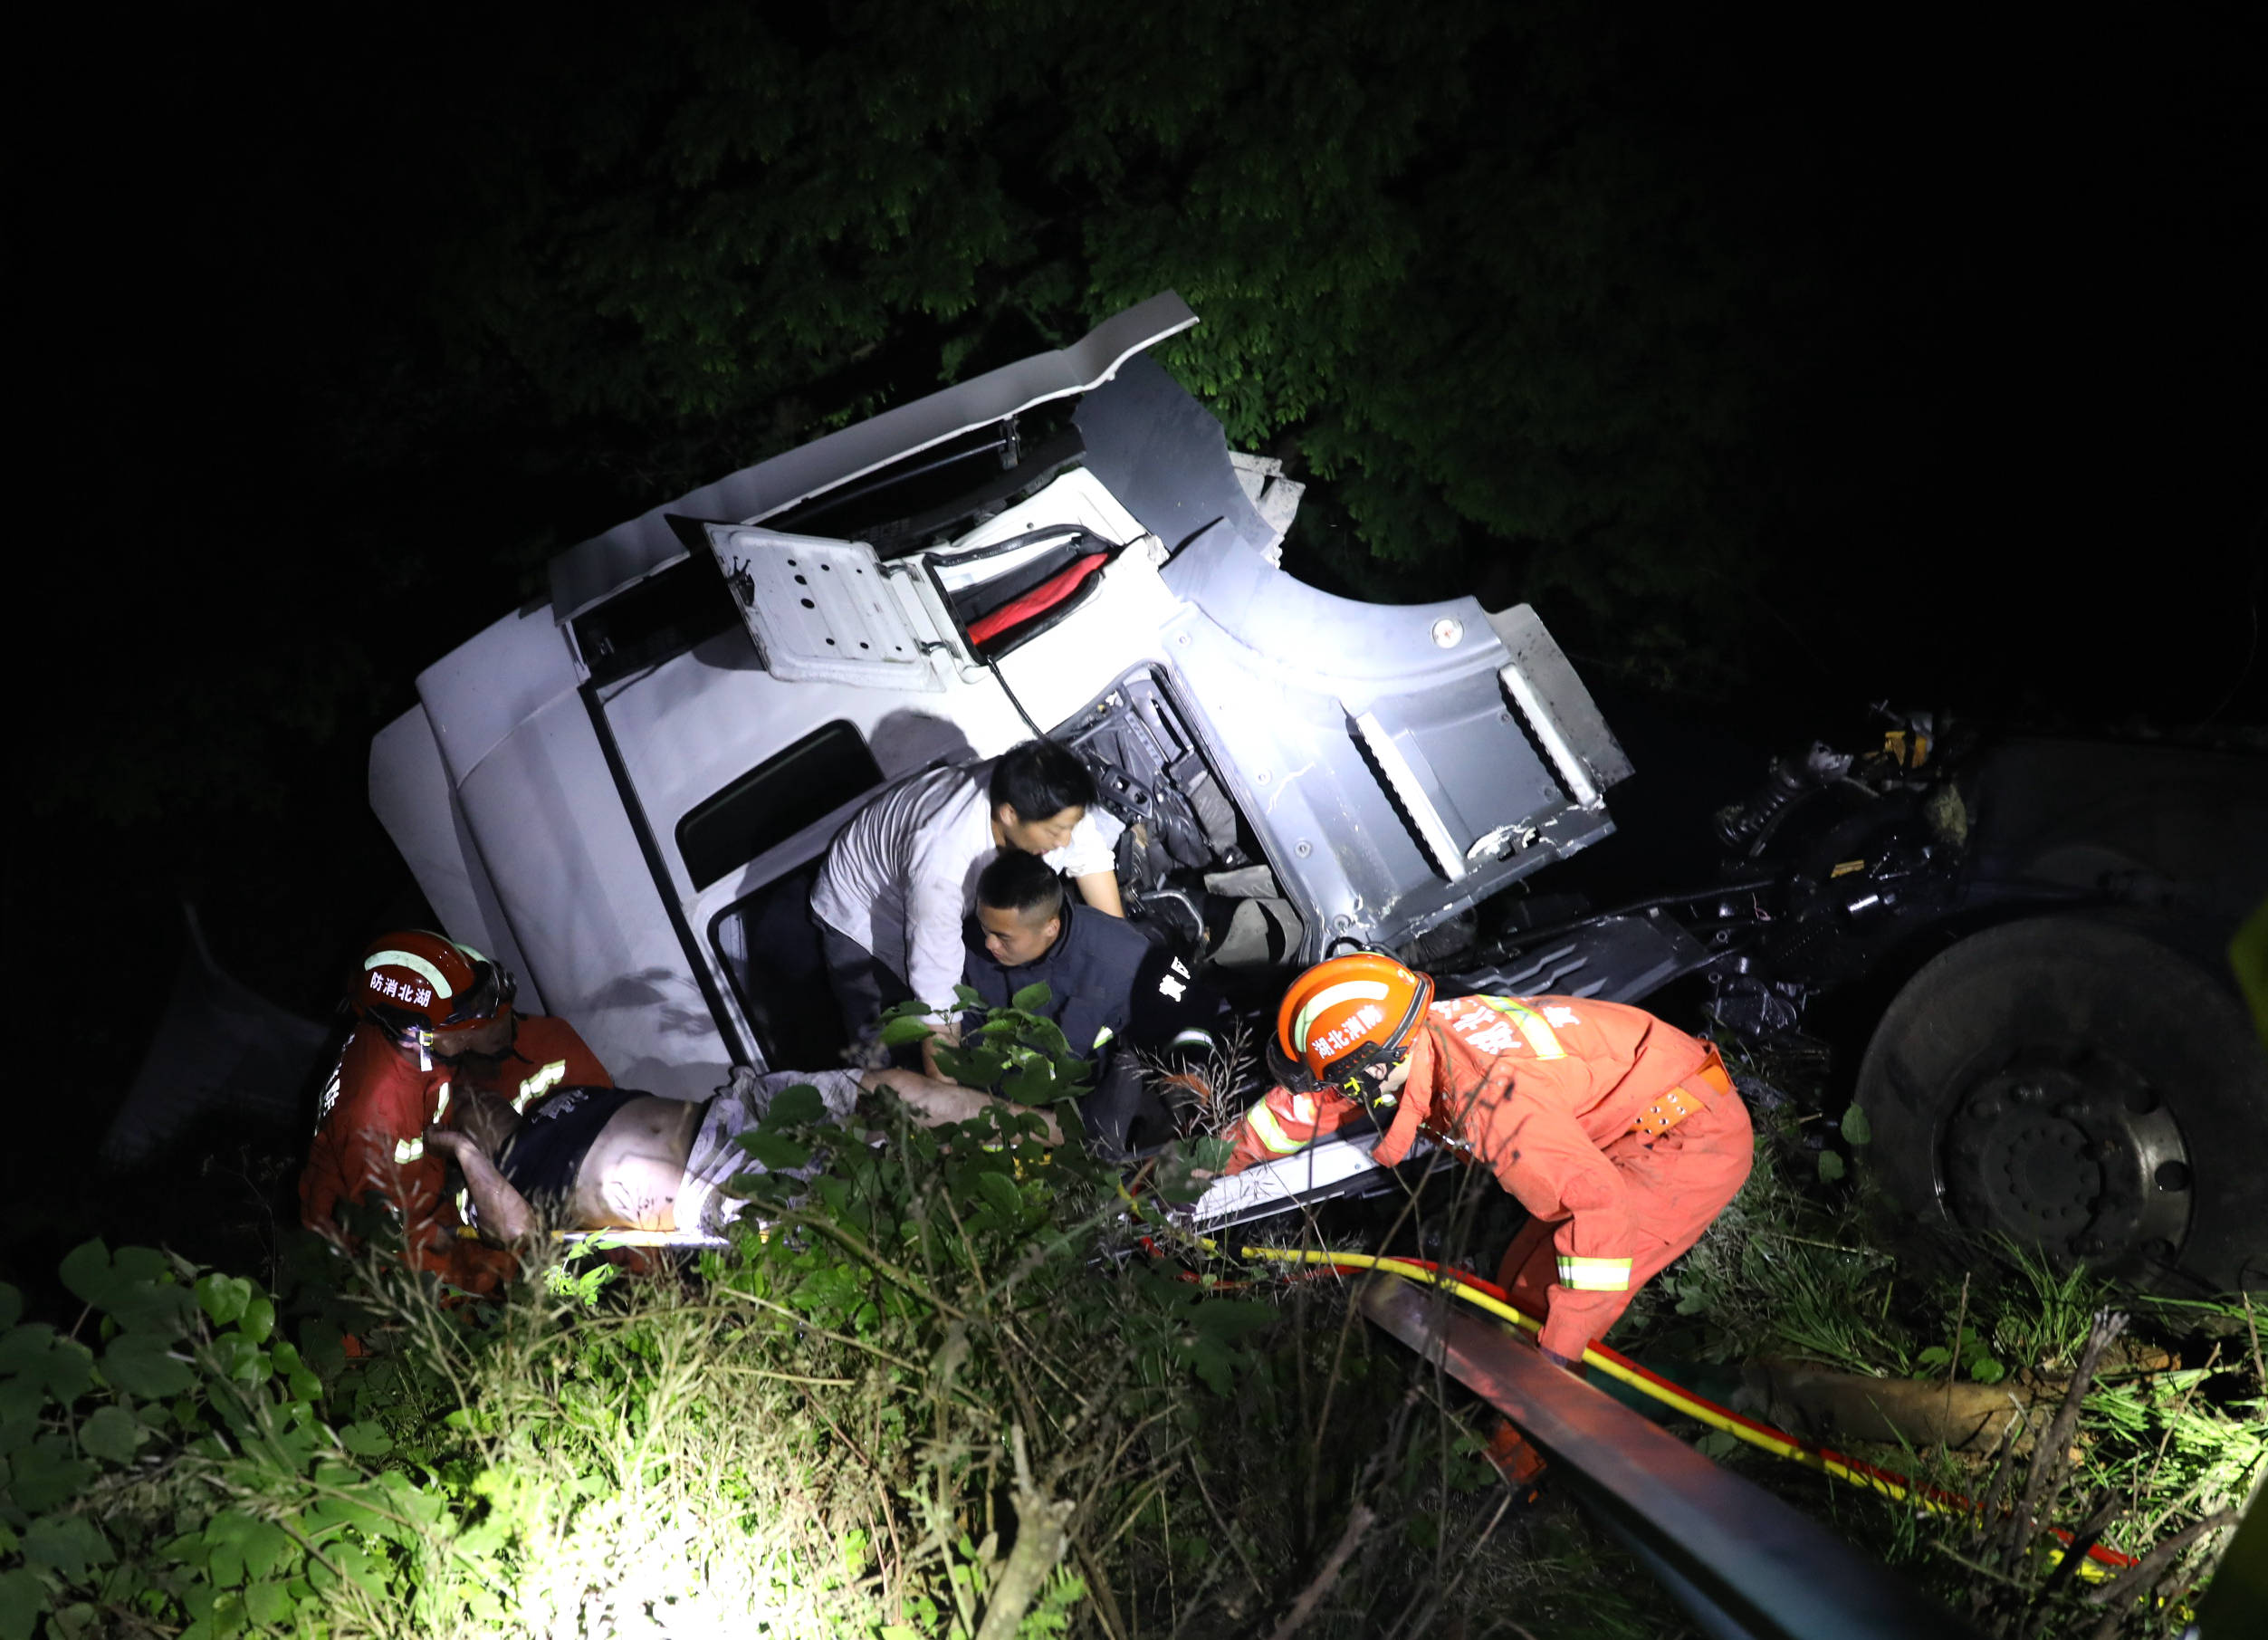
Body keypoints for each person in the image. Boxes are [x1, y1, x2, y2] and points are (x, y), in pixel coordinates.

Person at [1227, 954, 1753, 1369]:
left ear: (1367, 1069)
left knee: (1546, 1308)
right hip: (1635, 1109)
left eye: (1340, 1081)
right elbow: (1311, 1104)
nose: (1339, 1094)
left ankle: (1523, 1458)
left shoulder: (1488, 1101)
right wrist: (1209, 1165)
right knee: (1517, 1281)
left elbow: (1601, 1211)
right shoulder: (1411, 1029)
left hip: (1687, 1138)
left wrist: (1556, 1357)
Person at [425, 1063, 1062, 1242]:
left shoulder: (555, 1100)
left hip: (735, 1110)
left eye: (477, 1096)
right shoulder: (505, 1188)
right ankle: (1045, 1216)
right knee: (888, 1187)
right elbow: (519, 1233)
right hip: (719, 1186)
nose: (480, 1100)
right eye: (468, 1108)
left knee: (891, 1093)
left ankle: (1057, 1133)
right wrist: (463, 1151)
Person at [299, 930, 612, 1292]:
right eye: (462, 1026)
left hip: (425, 1197)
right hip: (367, 1243)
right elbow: (391, 1233)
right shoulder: (378, 1112)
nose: (474, 1032)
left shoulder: (413, 1052)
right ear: (418, 1034)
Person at [809, 739, 1124, 1069]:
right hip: (862, 910)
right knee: (886, 1055)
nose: (1064, 842)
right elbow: (937, 997)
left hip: (935, 894)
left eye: (1068, 828)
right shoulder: (943, 862)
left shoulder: (1045, 797)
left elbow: (1089, 858)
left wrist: (1122, 957)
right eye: (1055, 832)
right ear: (1009, 814)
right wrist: (950, 1101)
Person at [962, 849, 1229, 1155]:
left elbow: (1194, 1010)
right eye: (985, 928)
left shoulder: (1122, 958)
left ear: (1050, 927)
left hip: (1086, 1101)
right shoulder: (969, 949)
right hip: (998, 1106)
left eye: (1002, 936)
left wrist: (1189, 1072)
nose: (988, 943)